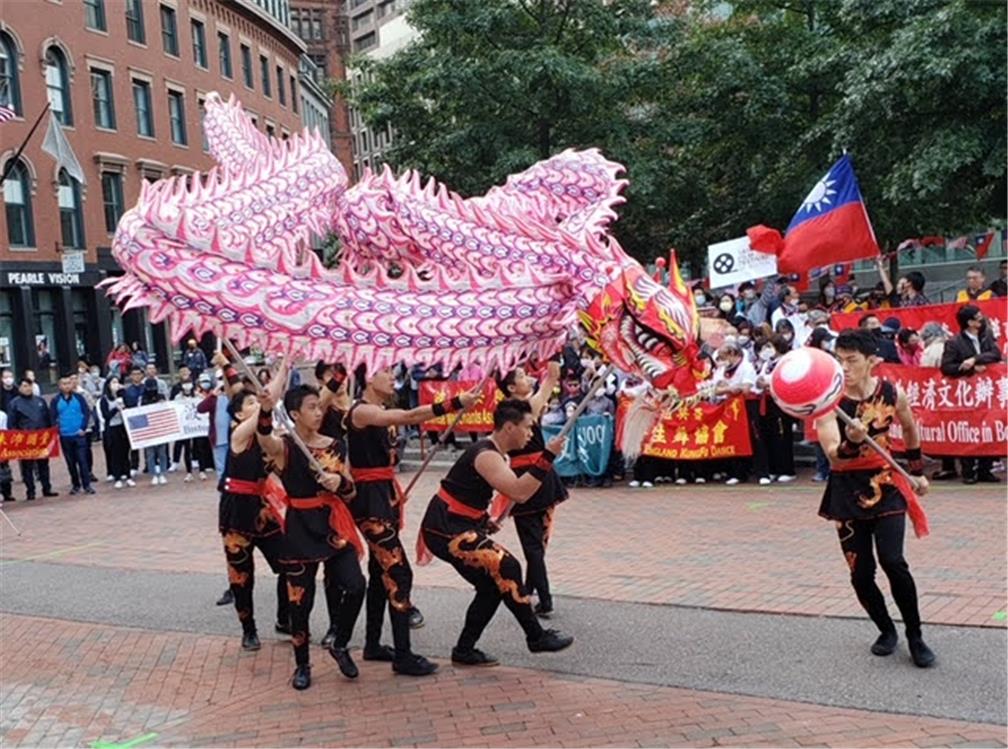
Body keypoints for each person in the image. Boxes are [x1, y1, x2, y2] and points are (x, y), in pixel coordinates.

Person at [418, 398, 574, 666]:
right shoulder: (486, 454)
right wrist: (547, 457)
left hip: (456, 525)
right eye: (527, 427)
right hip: (445, 529)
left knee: (491, 587)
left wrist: (483, 521)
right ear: (510, 427)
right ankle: (535, 636)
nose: (530, 433)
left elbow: (470, 495)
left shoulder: (494, 453)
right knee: (507, 565)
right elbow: (519, 492)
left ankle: (464, 650)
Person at [345, 368, 479, 676]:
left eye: (393, 372)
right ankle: (402, 655)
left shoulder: (377, 409)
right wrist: (453, 403)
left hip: (383, 494)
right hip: (370, 501)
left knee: (381, 571)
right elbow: (408, 417)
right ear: (367, 379)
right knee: (399, 573)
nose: (392, 378)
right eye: (385, 372)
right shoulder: (362, 411)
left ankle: (373, 644)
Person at [815, 329, 934, 668]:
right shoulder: (829, 403)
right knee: (861, 573)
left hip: (886, 483)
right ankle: (886, 630)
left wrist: (916, 469)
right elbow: (835, 456)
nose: (845, 367)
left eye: (851, 361)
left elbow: (910, 428)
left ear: (872, 361)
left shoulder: (891, 392)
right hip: (846, 491)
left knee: (893, 560)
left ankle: (915, 635)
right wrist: (852, 441)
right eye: (840, 360)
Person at [255, 384, 366, 691]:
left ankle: (340, 642)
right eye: (312, 407)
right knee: (300, 603)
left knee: (356, 586)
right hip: (300, 528)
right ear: (294, 414)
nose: (319, 412)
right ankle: (302, 664)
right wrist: (265, 408)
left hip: (332, 526)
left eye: (320, 406)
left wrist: (339, 481)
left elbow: (351, 489)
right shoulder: (286, 446)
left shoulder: (335, 444)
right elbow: (264, 438)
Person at [493, 361, 567, 616]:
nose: (528, 379)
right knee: (535, 544)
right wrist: (553, 366)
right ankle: (542, 598)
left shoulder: (509, 412)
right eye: (522, 376)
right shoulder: (522, 410)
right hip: (532, 477)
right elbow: (549, 382)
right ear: (511, 386)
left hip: (533, 475)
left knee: (535, 542)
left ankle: (531, 591)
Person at [219, 388, 290, 652]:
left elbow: (268, 408)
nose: (257, 405)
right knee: (241, 574)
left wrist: (285, 365)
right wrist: (267, 401)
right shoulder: (237, 434)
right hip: (236, 510)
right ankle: (248, 630)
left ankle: (285, 619)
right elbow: (266, 406)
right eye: (250, 403)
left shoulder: (266, 438)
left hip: (263, 509)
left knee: (288, 562)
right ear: (238, 414)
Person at [940, 305, 1003, 484]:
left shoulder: (986, 337)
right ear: (969, 322)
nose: (981, 319)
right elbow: (947, 367)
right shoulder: (954, 343)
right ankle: (968, 471)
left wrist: (976, 359)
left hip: (987, 393)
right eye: (977, 317)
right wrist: (970, 370)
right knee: (968, 430)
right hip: (965, 394)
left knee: (988, 428)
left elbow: (995, 354)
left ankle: (986, 469)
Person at [6, 377, 57, 500]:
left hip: (41, 438)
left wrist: (51, 434)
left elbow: (48, 418)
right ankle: (30, 491)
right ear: (20, 388)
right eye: (24, 386)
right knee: (27, 467)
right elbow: (11, 424)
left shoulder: (40, 401)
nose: (27, 388)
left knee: (43, 465)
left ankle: (47, 488)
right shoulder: (15, 403)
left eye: (29, 386)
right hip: (25, 439)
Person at [754, 336, 796, 483]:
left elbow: (785, 379)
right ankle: (772, 468)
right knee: (768, 435)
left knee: (782, 436)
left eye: (770, 346)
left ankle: (786, 469)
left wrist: (768, 381)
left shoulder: (786, 361)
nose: (767, 350)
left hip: (780, 402)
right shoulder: (767, 363)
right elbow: (760, 378)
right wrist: (760, 381)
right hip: (767, 401)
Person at [50, 373, 95, 496]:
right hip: (65, 435)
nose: (66, 386)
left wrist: (83, 428)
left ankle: (87, 485)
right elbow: (53, 417)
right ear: (59, 386)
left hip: (79, 434)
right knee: (71, 462)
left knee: (82, 460)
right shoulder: (55, 400)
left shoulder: (79, 398)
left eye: (68, 383)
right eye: (64, 384)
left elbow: (86, 413)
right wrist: (58, 430)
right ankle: (75, 484)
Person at [99, 377, 134, 488]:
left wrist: (123, 394)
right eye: (113, 382)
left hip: (123, 428)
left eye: (117, 382)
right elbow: (106, 416)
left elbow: (130, 405)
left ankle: (128, 476)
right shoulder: (104, 399)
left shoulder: (122, 395)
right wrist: (116, 409)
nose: (116, 384)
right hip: (112, 429)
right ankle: (117, 477)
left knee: (125, 452)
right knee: (115, 454)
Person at [140, 376, 170, 486]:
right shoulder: (143, 398)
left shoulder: (161, 396)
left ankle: (163, 473)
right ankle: (153, 474)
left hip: (161, 428)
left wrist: (162, 404)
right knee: (150, 453)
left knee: (162, 452)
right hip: (149, 430)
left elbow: (166, 410)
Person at [170, 368, 198, 481]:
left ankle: (197, 462)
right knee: (182, 444)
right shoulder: (177, 393)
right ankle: (181, 465)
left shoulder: (196, 393)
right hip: (183, 423)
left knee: (197, 444)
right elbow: (173, 403)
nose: (187, 385)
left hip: (195, 423)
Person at [0, 408, 12, 502]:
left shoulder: (2, 415)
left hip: (1, 445)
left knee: (4, 470)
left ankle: (7, 493)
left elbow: (6, 431)